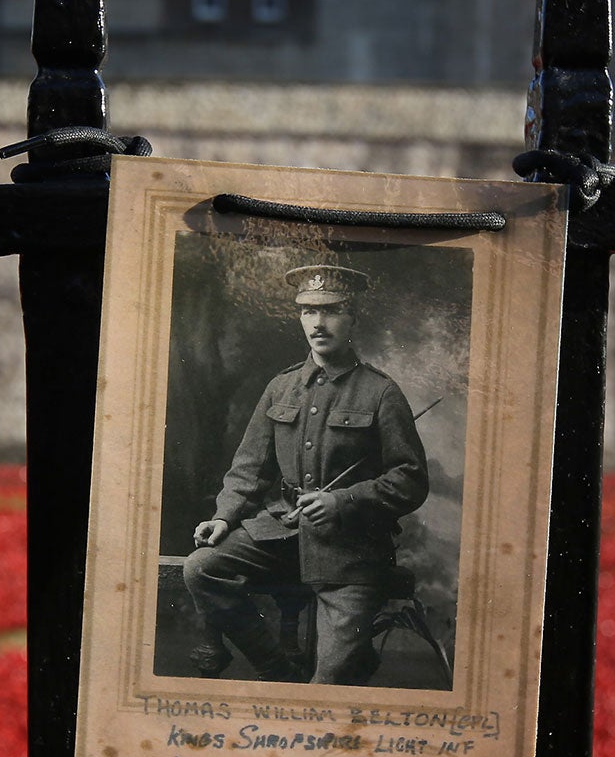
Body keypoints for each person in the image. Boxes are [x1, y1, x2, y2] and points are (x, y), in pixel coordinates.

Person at [182, 262, 429, 685]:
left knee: (328, 685)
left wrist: (343, 501)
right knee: (201, 567)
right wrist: (224, 517)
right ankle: (276, 672)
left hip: (352, 556)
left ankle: (334, 668)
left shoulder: (380, 392)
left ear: (353, 317)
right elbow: (248, 468)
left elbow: (410, 479)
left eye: (331, 310)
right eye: (308, 312)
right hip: (283, 537)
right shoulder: (282, 387)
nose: (318, 323)